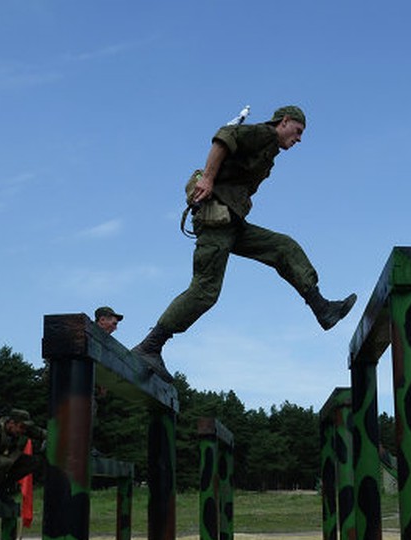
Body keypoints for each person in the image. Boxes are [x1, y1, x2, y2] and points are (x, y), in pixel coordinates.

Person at [132, 104, 357, 382]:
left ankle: (321, 308)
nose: (299, 139)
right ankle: (150, 346)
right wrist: (209, 179)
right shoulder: (264, 135)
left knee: (283, 247)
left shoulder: (270, 151)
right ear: (284, 122)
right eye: (297, 131)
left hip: (232, 223)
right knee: (205, 291)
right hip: (217, 222)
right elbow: (224, 137)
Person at [0, 409, 46, 504]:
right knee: (4, 462)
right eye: (21, 427)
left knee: (33, 462)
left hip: (1, 464)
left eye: (25, 428)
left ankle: (2, 489)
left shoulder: (18, 429)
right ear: (11, 423)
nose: (23, 431)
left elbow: (41, 433)